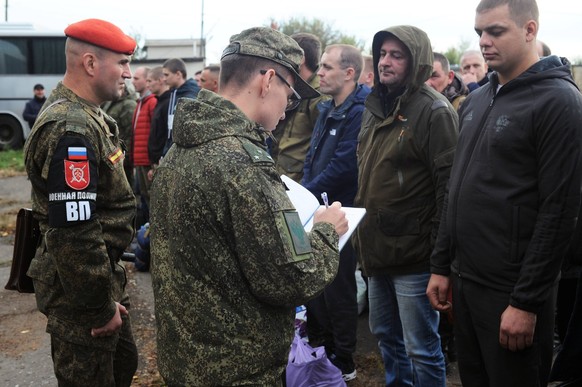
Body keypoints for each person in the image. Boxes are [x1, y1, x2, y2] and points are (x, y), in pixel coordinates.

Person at [150, 26, 349, 386]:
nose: (288, 110)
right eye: (289, 95)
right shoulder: (243, 165)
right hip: (237, 368)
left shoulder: (182, 146)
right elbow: (291, 278)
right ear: (268, 80)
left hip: (186, 359)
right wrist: (326, 231)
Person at [426, 0, 582, 386]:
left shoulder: (559, 102)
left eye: (495, 31)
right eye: (479, 32)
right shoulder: (477, 100)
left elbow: (559, 211)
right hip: (465, 282)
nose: (484, 41)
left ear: (529, 30)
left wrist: (525, 302)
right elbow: (455, 188)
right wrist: (442, 265)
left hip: (511, 291)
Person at [23, 18, 138, 386]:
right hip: (79, 294)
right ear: (90, 64)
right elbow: (74, 230)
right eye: (121, 62)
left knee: (121, 366)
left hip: (92, 281)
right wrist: (98, 309)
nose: (128, 73)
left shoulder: (87, 115)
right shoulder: (72, 127)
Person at [353, 25, 458, 386]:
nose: (386, 62)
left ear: (417, 62)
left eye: (397, 55)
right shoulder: (373, 106)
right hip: (376, 247)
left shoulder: (434, 111)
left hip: (415, 254)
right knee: (386, 338)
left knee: (421, 348)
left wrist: (440, 258)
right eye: (382, 54)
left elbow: (448, 189)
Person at [301, 43, 370, 382]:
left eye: (327, 67)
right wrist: (301, 191)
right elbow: (313, 157)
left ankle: (343, 359)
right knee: (316, 282)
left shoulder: (360, 109)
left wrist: (307, 191)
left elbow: (345, 165)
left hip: (343, 212)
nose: (320, 73)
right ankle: (322, 347)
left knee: (339, 285)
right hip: (318, 208)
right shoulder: (328, 107)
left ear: (349, 73)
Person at [269, 32, 329, 183]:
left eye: (285, 55)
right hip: (282, 175)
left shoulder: (318, 96)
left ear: (300, 58)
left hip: (300, 184)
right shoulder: (290, 87)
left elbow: (322, 149)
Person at [131, 66, 157, 223]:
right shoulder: (140, 103)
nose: (132, 81)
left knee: (151, 199)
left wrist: (151, 161)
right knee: (144, 197)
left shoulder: (152, 102)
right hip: (140, 160)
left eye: (136, 78)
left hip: (147, 161)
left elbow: (154, 134)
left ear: (147, 82)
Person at [101, 81, 138, 186]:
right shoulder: (110, 103)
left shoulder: (129, 105)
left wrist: (126, 158)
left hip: (121, 155)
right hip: (111, 154)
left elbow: (131, 133)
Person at [162, 57, 200, 153]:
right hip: (171, 150)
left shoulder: (190, 95)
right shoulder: (175, 93)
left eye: (167, 75)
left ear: (178, 74)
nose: (164, 79)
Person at [146, 66, 170, 182]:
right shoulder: (159, 102)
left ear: (160, 80)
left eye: (150, 81)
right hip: (156, 163)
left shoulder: (168, 103)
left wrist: (159, 161)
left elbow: (166, 134)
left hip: (163, 162)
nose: (147, 85)